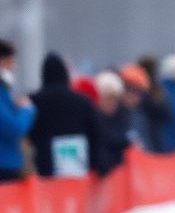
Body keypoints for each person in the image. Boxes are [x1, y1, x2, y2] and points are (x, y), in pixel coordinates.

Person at [29, 52, 100, 177]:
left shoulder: (35, 101)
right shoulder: (82, 101)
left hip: (46, 162)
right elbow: (95, 131)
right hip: (78, 159)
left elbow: (31, 131)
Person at [0, 39, 36, 182]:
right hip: (5, 167)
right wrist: (27, 110)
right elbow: (14, 128)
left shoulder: (6, 91)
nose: (13, 68)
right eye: (10, 62)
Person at [94, 70, 131, 175]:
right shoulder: (93, 119)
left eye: (115, 99)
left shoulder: (121, 116)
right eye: (109, 98)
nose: (112, 103)